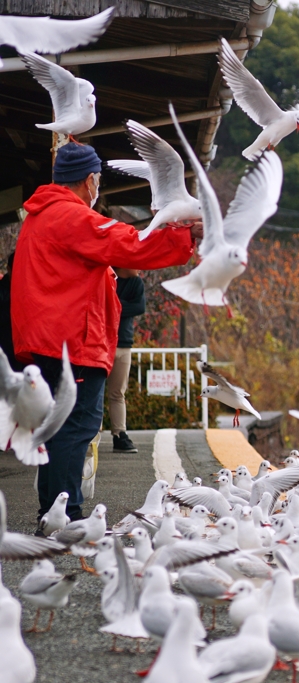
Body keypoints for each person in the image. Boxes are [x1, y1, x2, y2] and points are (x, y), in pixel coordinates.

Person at [11, 142, 201, 521]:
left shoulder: (41, 216)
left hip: (48, 339)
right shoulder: (71, 216)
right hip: (72, 340)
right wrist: (185, 237)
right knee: (76, 427)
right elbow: (129, 245)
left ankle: (52, 514)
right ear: (90, 180)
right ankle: (68, 516)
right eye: (97, 180)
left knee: (57, 427)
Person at [108, 268, 145, 453]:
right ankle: (90, 435)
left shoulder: (136, 283)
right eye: (135, 262)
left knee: (118, 393)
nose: (139, 266)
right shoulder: (106, 276)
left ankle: (119, 434)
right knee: (94, 392)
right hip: (103, 343)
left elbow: (140, 307)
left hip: (124, 344)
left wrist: (114, 305)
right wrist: (123, 305)